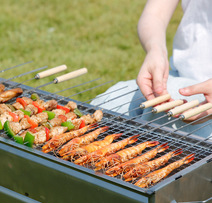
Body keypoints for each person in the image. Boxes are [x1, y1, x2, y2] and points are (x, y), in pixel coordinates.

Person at [91, 0, 212, 138]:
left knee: (162, 118)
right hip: (179, 74)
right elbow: (154, 14)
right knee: (107, 103)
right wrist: (155, 50)